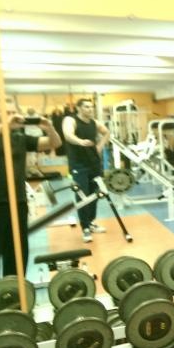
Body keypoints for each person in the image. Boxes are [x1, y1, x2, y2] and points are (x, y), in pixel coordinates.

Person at [0, 94, 62, 296]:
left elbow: (54, 143)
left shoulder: (18, 137)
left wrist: (49, 127)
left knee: (17, 253)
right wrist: (5, 125)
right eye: (6, 112)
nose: (12, 116)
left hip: (18, 202)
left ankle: (15, 296)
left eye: (13, 112)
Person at [62, 98, 110, 243]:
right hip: (78, 164)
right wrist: (80, 142)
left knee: (96, 194)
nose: (90, 109)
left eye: (91, 107)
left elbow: (107, 132)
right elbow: (68, 135)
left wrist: (100, 146)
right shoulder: (71, 120)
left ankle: (91, 222)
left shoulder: (95, 123)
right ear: (78, 108)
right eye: (86, 107)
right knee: (82, 195)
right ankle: (85, 228)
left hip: (94, 163)